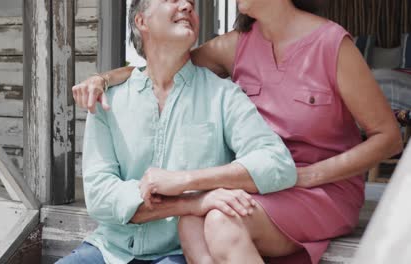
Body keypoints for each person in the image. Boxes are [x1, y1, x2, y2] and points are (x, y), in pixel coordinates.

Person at [73, 1, 403, 263]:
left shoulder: (332, 44)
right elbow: (161, 62)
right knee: (190, 224)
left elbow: (389, 137)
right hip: (262, 184)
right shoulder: (235, 47)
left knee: (218, 222)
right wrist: (103, 79)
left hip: (322, 188)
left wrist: (311, 175)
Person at [60, 0, 297, 263]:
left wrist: (186, 180)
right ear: (141, 21)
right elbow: (100, 196)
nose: (187, 5)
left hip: (179, 252)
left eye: (192, 3)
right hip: (107, 250)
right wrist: (191, 204)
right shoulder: (108, 101)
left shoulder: (223, 95)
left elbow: (278, 163)